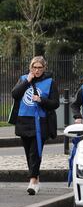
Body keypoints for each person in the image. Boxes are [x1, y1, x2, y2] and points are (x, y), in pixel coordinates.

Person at [9, 56, 59, 195]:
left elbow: (55, 103)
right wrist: (27, 81)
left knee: (35, 151)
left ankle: (32, 181)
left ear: (44, 68)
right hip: (24, 120)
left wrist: (41, 100)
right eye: (34, 67)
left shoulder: (50, 82)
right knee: (28, 152)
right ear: (31, 67)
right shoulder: (24, 78)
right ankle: (36, 178)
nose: (37, 70)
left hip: (40, 121)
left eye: (39, 67)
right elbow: (15, 94)